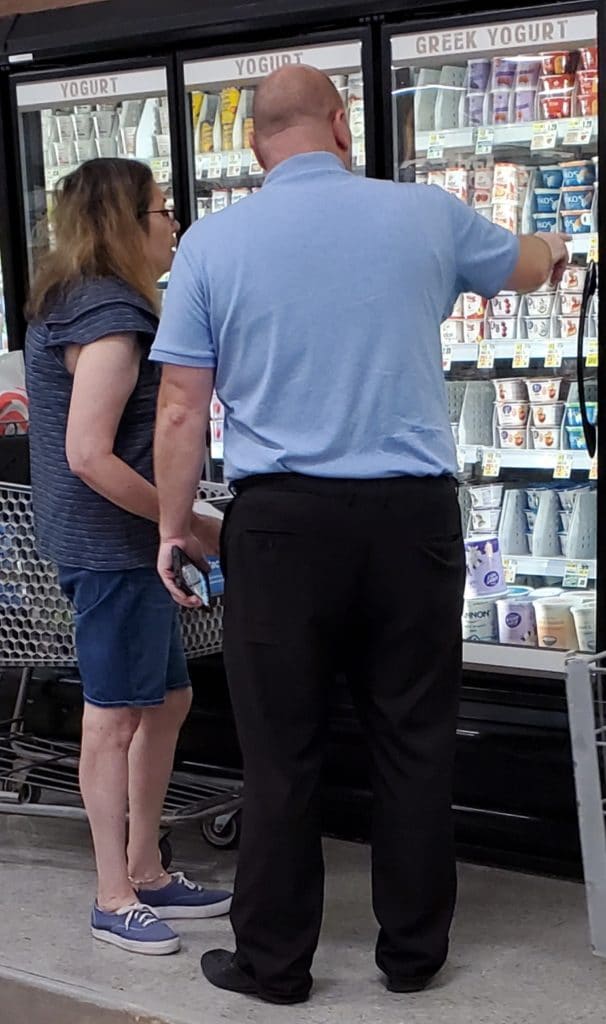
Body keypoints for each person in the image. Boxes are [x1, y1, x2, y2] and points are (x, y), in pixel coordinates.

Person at [150, 67, 570, 1002]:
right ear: (343, 124)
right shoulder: (424, 213)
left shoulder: (214, 243)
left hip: (280, 527)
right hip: (410, 520)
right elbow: (528, 268)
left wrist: (176, 528)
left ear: (255, 143)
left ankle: (274, 964)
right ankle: (414, 956)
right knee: (415, 738)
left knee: (282, 749)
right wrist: (551, 240)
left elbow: (181, 410)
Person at [24, 158, 232, 957]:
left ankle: (146, 867)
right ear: (123, 223)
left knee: (168, 701)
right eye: (158, 209)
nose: (171, 221)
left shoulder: (68, 300)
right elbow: (89, 453)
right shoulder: (110, 313)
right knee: (111, 717)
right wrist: (186, 518)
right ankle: (113, 891)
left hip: (113, 542)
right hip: (112, 546)